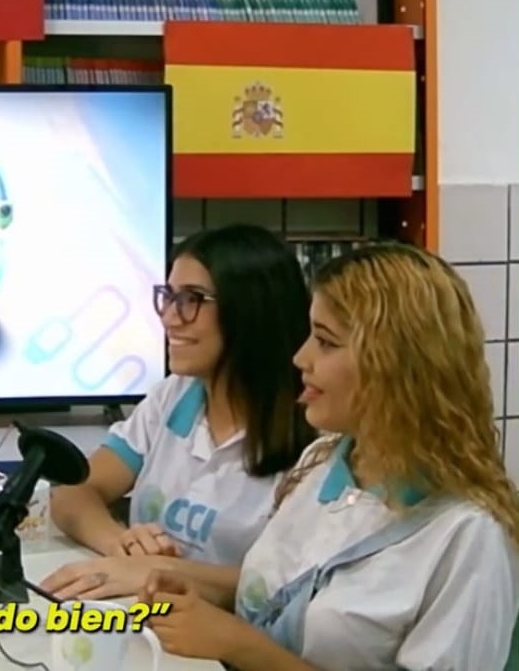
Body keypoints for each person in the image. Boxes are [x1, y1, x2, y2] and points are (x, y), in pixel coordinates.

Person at [138, 243, 519, 670]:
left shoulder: (468, 537)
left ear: (396, 364)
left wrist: (239, 645)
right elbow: (283, 598)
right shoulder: (320, 463)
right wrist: (196, 597)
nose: (300, 358)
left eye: (325, 341)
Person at [46, 224, 317, 596]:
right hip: (145, 617)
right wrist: (121, 545)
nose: (169, 318)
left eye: (192, 299)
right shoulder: (173, 396)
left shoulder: (314, 432)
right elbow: (73, 494)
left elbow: (284, 589)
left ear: (251, 308)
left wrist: (161, 572)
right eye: (169, 297)